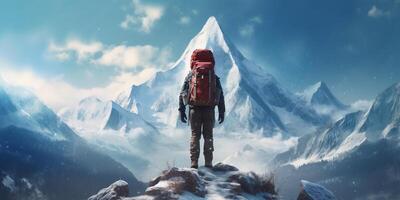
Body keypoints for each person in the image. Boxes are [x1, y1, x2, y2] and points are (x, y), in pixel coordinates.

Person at [178, 49, 225, 169]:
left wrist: (181, 110)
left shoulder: (191, 75)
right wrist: (221, 111)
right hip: (209, 110)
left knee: (195, 135)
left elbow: (182, 92)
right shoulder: (212, 75)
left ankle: (194, 163)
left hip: (194, 109)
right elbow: (220, 93)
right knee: (208, 136)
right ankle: (208, 163)